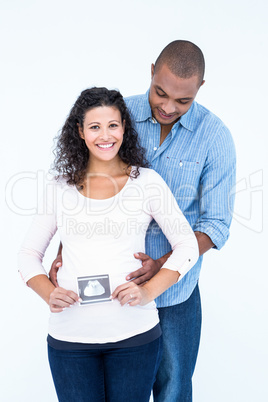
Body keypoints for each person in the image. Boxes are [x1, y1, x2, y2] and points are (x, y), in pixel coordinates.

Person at [50, 41, 236, 401]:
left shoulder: (215, 137)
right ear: (152, 72)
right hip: (110, 297)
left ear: (200, 87)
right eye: (160, 93)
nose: (168, 107)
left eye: (183, 101)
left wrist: (161, 265)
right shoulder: (118, 116)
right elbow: (81, 187)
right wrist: (63, 250)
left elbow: (215, 224)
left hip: (175, 293)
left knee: (173, 387)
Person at [18, 87, 199, 402]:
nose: (105, 135)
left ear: (124, 127)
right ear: (80, 131)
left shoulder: (147, 183)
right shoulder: (60, 187)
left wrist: (147, 292)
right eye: (95, 126)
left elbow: (187, 246)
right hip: (70, 339)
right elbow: (28, 255)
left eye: (113, 125)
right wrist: (49, 293)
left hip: (135, 337)